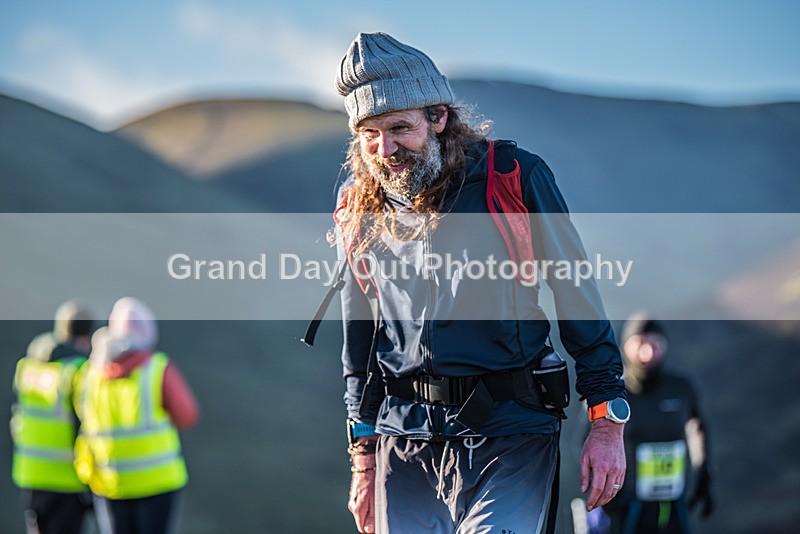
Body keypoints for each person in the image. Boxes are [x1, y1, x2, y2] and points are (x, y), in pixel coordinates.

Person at [331, 32, 629, 534]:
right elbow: (358, 337)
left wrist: (606, 420)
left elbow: (576, 294)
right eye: (369, 134)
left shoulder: (513, 177)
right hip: (402, 446)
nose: (386, 150)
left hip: (510, 437)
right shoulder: (359, 203)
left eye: (400, 128)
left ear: (439, 118)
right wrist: (362, 457)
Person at [74, 297, 199, 534]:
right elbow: (187, 415)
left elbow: (80, 414)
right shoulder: (157, 368)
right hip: (157, 482)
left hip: (110, 481)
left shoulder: (90, 373)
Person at [599, 313, 713, 534]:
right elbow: (585, 441)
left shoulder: (681, 387)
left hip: (673, 503)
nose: (648, 353)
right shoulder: (612, 393)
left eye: (655, 344)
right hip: (626, 507)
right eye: (641, 343)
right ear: (625, 346)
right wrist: (606, 490)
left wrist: (704, 474)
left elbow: (698, 426)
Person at [10, 300, 93, 534]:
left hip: (31, 474)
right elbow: (85, 428)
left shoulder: (27, 369)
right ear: (85, 339)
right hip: (67, 478)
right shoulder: (78, 371)